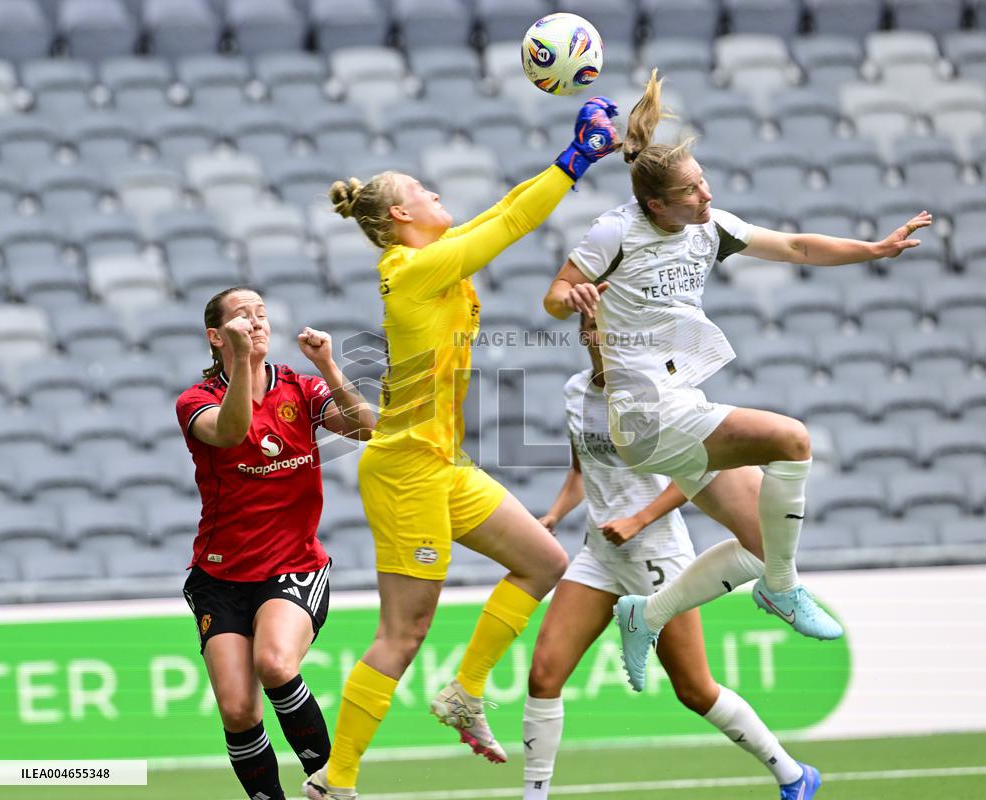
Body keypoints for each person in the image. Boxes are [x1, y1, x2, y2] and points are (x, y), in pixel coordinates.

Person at [542, 70, 933, 690]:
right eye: (692, 192)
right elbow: (555, 296)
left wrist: (875, 249)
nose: (706, 196)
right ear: (655, 205)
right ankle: (782, 592)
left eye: (703, 183)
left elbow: (798, 247)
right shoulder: (616, 231)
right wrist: (576, 295)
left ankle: (648, 614)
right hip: (646, 413)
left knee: (762, 538)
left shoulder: (709, 226)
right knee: (792, 440)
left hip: (682, 398)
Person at [302, 98, 622, 800]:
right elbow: (510, 222)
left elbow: (501, 210)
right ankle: (335, 780)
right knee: (403, 633)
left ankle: (465, 692)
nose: (437, 193)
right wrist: (577, 160)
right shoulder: (411, 269)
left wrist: (570, 153)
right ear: (399, 219)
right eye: (425, 190)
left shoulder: (432, 259)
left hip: (444, 464)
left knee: (543, 561)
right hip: (407, 470)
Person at [521, 313, 821, 800]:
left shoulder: (659, 390)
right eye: (590, 326)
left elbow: (697, 472)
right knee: (543, 674)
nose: (597, 335)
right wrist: (554, 514)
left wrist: (639, 519)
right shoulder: (576, 392)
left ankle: (791, 773)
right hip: (599, 554)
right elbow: (583, 468)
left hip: (657, 553)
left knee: (695, 690)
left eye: (606, 327)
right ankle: (533, 795)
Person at [176, 286, 376, 800]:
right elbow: (232, 430)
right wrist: (243, 362)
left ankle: (334, 786)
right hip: (219, 577)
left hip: (293, 567)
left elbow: (367, 428)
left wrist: (330, 365)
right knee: (238, 710)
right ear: (216, 337)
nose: (257, 322)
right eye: (243, 317)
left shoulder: (302, 389)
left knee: (275, 664)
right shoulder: (195, 402)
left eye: (262, 314)